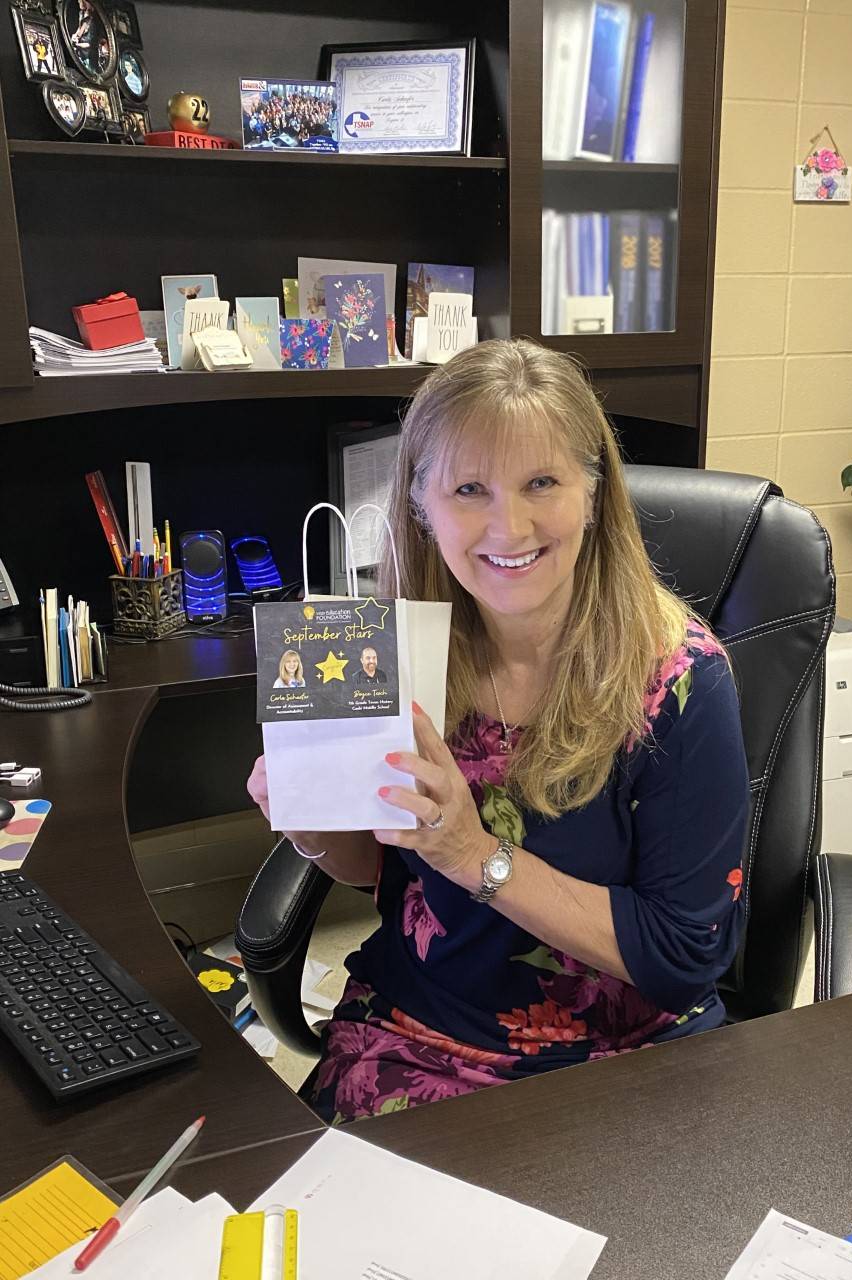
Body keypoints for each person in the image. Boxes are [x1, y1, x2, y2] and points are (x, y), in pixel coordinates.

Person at [247, 338, 749, 1123]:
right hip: (414, 1030)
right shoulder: (390, 649)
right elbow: (376, 869)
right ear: (420, 502)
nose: (508, 527)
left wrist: (475, 853)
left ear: (593, 491)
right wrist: (313, 824)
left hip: (616, 1055)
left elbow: (684, 959)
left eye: (541, 482)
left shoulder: (678, 683)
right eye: (470, 488)